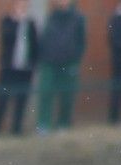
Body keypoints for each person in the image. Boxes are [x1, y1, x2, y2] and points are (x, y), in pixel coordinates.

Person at [35, 0, 87, 132]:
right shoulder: (51, 16)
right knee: (46, 92)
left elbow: (81, 42)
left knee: (67, 95)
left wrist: (75, 59)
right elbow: (44, 38)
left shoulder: (78, 18)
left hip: (69, 63)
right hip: (49, 62)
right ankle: (44, 124)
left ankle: (63, 124)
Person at [0, 1, 40, 134]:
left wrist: (33, 65)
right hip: (9, 68)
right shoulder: (7, 21)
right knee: (2, 99)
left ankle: (16, 129)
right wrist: (17, 22)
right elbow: (6, 38)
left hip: (25, 69)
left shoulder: (30, 24)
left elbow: (35, 45)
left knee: (21, 100)